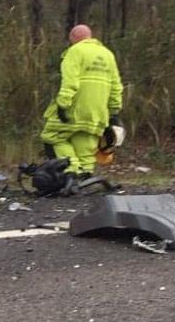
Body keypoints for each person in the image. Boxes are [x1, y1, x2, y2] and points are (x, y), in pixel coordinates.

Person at [41, 24, 123, 196]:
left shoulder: (75, 51)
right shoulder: (108, 55)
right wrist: (114, 109)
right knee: (85, 145)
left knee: (53, 136)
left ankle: (71, 172)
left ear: (73, 38)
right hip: (97, 112)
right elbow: (116, 87)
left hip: (75, 109)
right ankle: (85, 179)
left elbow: (70, 81)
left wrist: (63, 104)